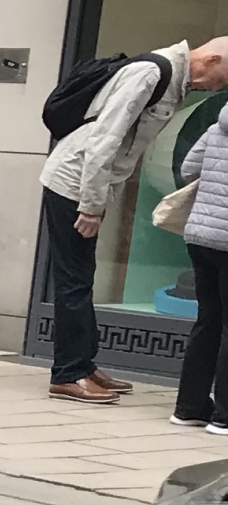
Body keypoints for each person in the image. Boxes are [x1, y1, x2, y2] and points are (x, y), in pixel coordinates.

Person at [41, 36, 228, 403]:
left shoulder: (172, 81)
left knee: (82, 276)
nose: (217, 88)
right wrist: (91, 206)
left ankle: (83, 363)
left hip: (88, 185)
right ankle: (69, 373)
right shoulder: (150, 74)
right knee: (74, 279)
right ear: (211, 59)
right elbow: (103, 141)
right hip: (73, 184)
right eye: (222, 79)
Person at [172, 104, 228, 431]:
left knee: (208, 320)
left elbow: (189, 169)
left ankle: (189, 407)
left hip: (200, 236)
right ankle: (224, 417)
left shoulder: (217, 127)